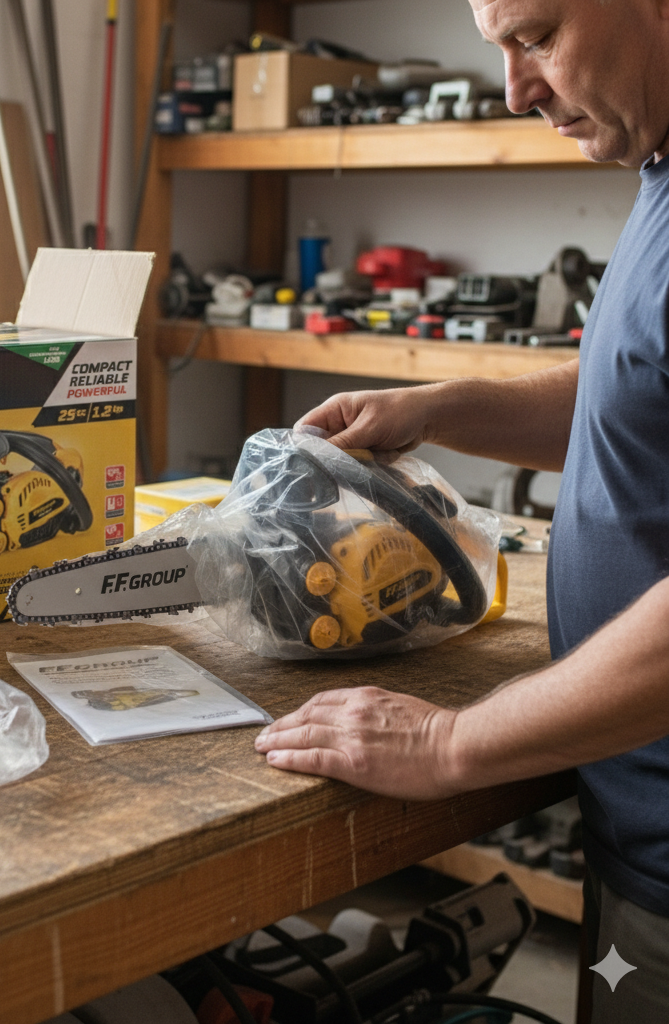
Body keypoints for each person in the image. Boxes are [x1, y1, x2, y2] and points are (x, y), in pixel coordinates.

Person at [253, 0, 669, 1017]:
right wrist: (439, 409)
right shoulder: (660, 167)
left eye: (537, 36)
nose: (516, 90)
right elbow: (632, 399)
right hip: (633, 827)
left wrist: (448, 746)